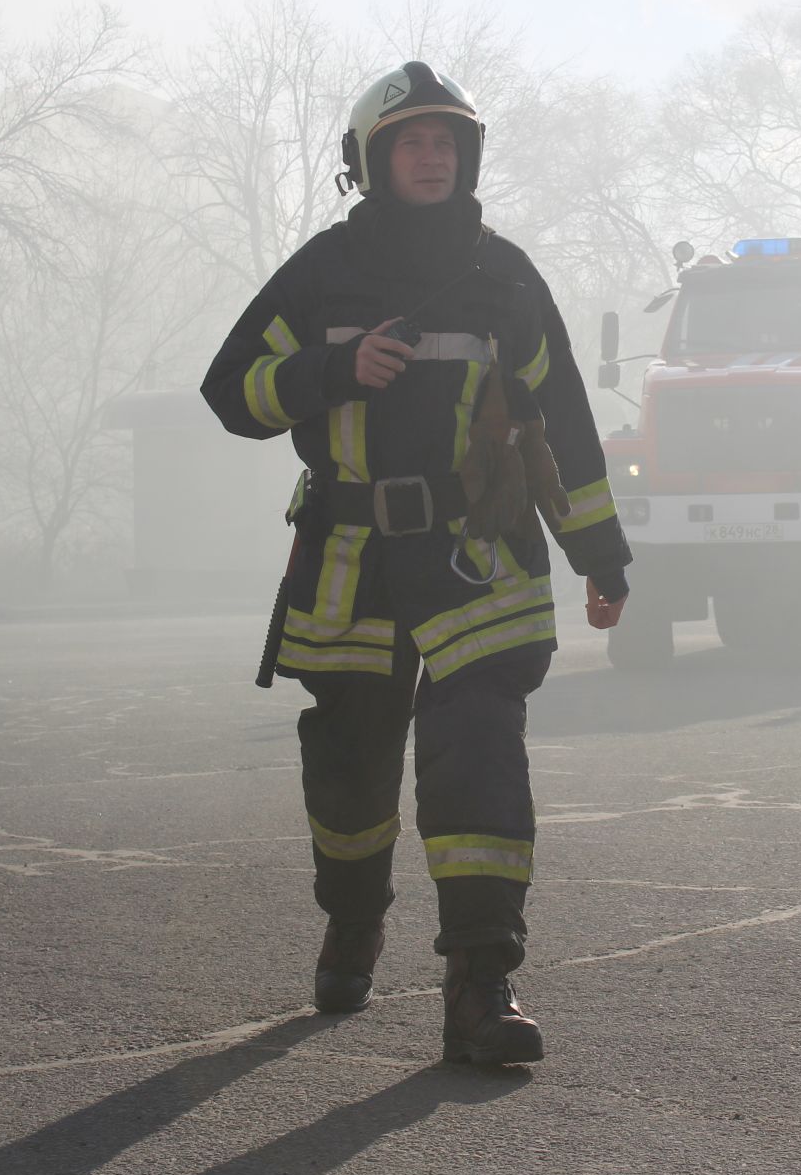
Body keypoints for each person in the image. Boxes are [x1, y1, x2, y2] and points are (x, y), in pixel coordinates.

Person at [201, 61, 632, 1067]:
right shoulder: (320, 275)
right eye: (411, 142)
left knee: (476, 747)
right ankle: (352, 919)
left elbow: (563, 422)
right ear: (371, 161)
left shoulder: (505, 278)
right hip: (349, 557)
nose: (431, 157)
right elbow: (231, 393)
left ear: (465, 157)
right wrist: (328, 370)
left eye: (446, 142)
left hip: (477, 554)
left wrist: (600, 553)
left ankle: (481, 985)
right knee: (350, 771)